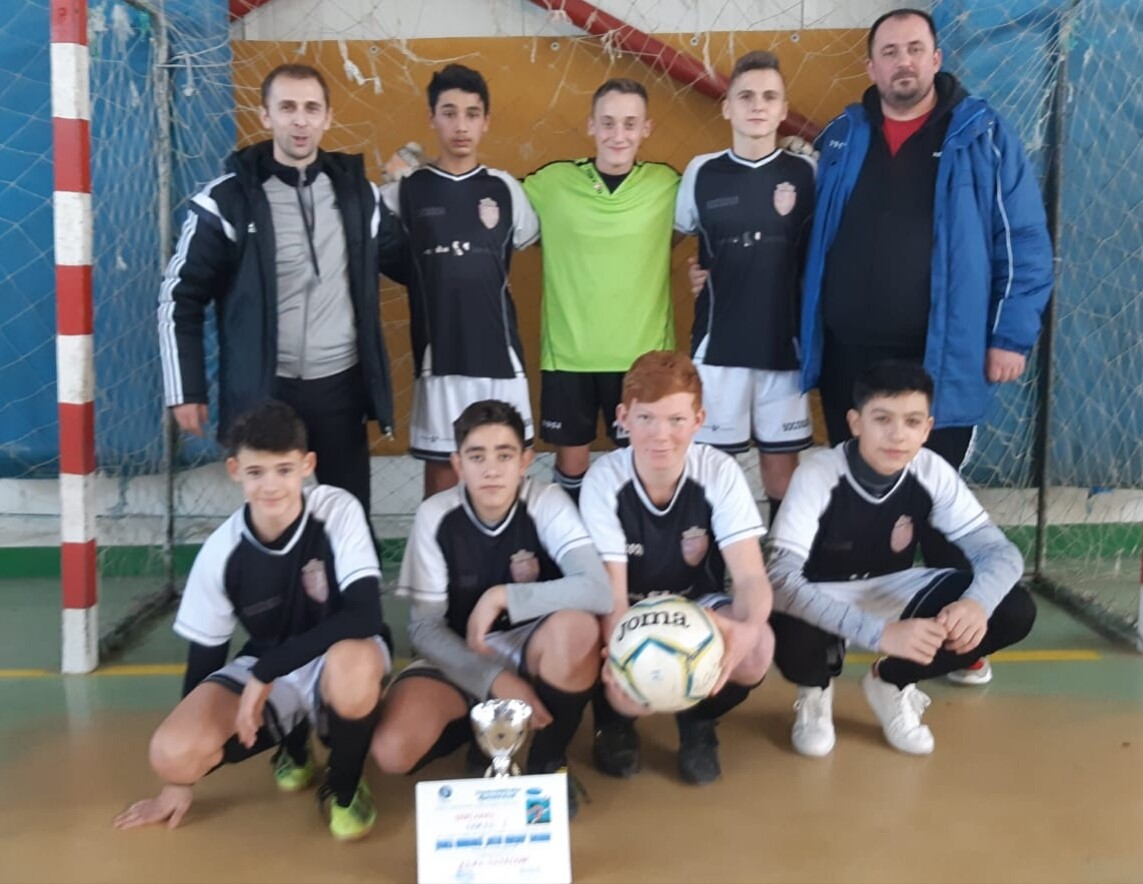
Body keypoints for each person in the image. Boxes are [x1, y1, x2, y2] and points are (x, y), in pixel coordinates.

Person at [799, 9, 1052, 683]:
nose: (903, 61)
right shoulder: (841, 136)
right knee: (854, 497)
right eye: (889, 52)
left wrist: (1010, 334)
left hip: (941, 357)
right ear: (871, 66)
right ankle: (841, 631)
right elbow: (808, 239)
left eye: (914, 49)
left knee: (938, 500)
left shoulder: (981, 134)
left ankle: (957, 639)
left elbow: (1023, 241)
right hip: (849, 354)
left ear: (936, 59)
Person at [113, 401, 392, 840]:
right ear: (235, 470)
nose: (271, 485)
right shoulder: (221, 552)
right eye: (256, 472)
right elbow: (205, 660)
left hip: (339, 654)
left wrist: (266, 671)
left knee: (352, 664)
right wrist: (181, 779)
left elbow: (365, 614)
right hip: (269, 667)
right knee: (171, 753)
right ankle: (293, 744)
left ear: (307, 466)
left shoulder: (336, 510)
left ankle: (344, 783)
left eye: (284, 470)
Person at [157, 63, 405, 518]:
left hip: (341, 385)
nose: (300, 120)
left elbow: (409, 262)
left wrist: (422, 199)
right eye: (287, 107)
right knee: (271, 519)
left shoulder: (359, 196)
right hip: (266, 388)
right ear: (265, 116)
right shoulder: (226, 201)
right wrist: (185, 389)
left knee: (349, 518)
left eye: (311, 108)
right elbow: (180, 296)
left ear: (328, 117)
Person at [766, 361, 1036, 757]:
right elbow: (780, 579)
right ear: (855, 423)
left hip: (893, 588)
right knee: (785, 621)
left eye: (912, 421)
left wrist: (977, 603)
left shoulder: (931, 471)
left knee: (1013, 609)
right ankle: (815, 692)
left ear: (927, 429)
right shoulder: (819, 475)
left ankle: (892, 682)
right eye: (882, 419)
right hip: (822, 593)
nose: (897, 434)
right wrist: (878, 634)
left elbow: (1000, 552)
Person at [370, 400, 611, 817]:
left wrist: (503, 596)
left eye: (504, 454)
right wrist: (492, 679)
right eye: (477, 456)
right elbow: (425, 629)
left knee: (578, 630)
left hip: (534, 645)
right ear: (458, 464)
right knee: (392, 752)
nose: (491, 469)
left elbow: (598, 590)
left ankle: (548, 759)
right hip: (461, 652)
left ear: (525, 461)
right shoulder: (435, 515)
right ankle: (486, 735)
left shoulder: (546, 501)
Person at [579, 351, 775, 785]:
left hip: (698, 607)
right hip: (630, 610)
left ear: (699, 420)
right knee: (627, 696)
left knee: (759, 646)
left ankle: (697, 720)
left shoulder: (719, 472)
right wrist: (622, 659)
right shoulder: (604, 480)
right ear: (623, 418)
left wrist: (747, 629)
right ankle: (614, 720)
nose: (661, 435)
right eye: (646, 418)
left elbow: (750, 577)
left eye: (676, 420)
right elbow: (612, 594)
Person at [380, 65, 540, 499]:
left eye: (472, 114)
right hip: (440, 354)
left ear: (486, 121)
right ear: (432, 118)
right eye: (449, 113)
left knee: (506, 468)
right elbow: (366, 237)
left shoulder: (505, 189)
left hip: (500, 354)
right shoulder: (406, 190)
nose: (461, 125)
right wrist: (384, 181)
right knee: (442, 473)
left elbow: (532, 242)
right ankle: (440, 547)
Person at [675, 51, 816, 526]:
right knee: (712, 470)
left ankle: (783, 563)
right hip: (718, 346)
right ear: (727, 107)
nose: (758, 106)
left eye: (769, 97)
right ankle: (711, 564)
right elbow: (679, 236)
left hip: (784, 345)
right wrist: (696, 273)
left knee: (781, 475)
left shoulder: (806, 173)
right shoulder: (702, 172)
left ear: (783, 109)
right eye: (746, 96)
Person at [523, 80, 680, 503]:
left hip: (644, 358)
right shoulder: (552, 182)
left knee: (642, 466)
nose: (618, 134)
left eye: (630, 123)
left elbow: (715, 221)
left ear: (646, 128)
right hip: (568, 355)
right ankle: (576, 545)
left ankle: (636, 545)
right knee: (572, 467)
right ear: (591, 125)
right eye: (608, 123)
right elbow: (488, 201)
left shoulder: (666, 184)